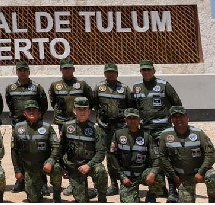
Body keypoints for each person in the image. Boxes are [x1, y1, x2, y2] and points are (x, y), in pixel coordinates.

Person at [132, 59, 183, 201]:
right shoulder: (136, 87)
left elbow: (177, 104)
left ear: (154, 71)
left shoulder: (164, 85)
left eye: (149, 69)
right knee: (151, 160)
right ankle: (157, 189)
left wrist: (176, 123)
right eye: (144, 70)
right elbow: (133, 108)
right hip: (146, 130)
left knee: (167, 159)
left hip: (163, 129)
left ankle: (173, 191)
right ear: (141, 71)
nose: (146, 72)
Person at [49, 58, 93, 197]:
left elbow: (90, 101)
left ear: (73, 69)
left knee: (81, 151)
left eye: (69, 68)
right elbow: (53, 103)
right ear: (61, 69)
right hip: (62, 123)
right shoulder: (55, 85)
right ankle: (70, 182)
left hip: (79, 123)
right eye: (64, 68)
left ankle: (83, 181)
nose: (67, 70)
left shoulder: (82, 85)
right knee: (64, 152)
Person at [158, 106, 215, 203]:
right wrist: (174, 176)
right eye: (175, 117)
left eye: (181, 116)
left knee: (213, 177)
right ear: (172, 120)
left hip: (201, 172)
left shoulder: (198, 133)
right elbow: (162, 157)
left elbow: (211, 154)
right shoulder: (165, 135)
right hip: (183, 177)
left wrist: (201, 171)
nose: (178, 119)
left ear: (187, 118)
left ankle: (213, 201)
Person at [53, 96, 108, 203]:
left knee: (100, 170)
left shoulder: (96, 129)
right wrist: (63, 166)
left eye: (84, 109)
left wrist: (88, 165)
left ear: (89, 112)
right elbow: (61, 149)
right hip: (73, 167)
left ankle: (102, 197)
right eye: (79, 109)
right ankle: (84, 192)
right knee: (81, 200)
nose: (82, 112)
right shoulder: (66, 127)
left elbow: (101, 153)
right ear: (74, 111)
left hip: (89, 165)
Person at [5, 60, 48, 194]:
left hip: (35, 125)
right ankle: (20, 181)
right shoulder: (10, 88)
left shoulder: (37, 88)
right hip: (18, 126)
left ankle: (42, 183)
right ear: (16, 72)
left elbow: (44, 105)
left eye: (25, 70)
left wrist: (36, 118)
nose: (23, 72)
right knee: (17, 152)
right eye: (20, 70)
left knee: (40, 151)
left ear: (29, 72)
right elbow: (10, 105)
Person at [10, 100, 62, 203]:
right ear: (24, 113)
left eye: (34, 110)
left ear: (39, 113)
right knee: (34, 200)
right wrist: (17, 170)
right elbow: (14, 151)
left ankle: (56, 196)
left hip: (45, 165)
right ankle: (39, 189)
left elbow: (56, 147)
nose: (32, 112)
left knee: (56, 168)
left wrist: (50, 161)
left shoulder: (47, 127)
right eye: (29, 110)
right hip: (29, 168)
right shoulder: (17, 128)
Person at [94, 62, 133, 196]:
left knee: (122, 155)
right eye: (108, 72)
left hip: (120, 128)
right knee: (109, 156)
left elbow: (131, 107)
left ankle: (125, 181)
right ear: (105, 73)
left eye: (113, 72)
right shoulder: (99, 88)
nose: (110, 74)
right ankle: (113, 184)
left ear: (117, 73)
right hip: (104, 128)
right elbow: (94, 105)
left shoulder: (125, 89)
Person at [108, 108, 162, 203]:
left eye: (135, 118)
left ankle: (151, 196)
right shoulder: (118, 135)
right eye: (129, 118)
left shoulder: (146, 136)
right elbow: (113, 157)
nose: (132, 121)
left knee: (158, 178)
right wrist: (122, 176)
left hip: (142, 174)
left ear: (139, 120)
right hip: (127, 177)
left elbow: (157, 157)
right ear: (125, 120)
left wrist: (153, 172)